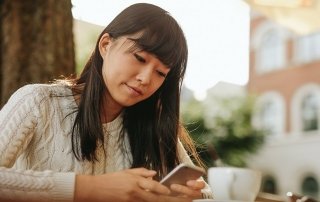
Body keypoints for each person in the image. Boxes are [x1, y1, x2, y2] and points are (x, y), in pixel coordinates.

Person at [0, 3, 213, 202]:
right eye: (140, 58)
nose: (146, 79)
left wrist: (187, 195)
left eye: (160, 72)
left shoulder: (152, 126)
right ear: (105, 45)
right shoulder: (38, 102)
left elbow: (205, 192)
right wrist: (89, 187)